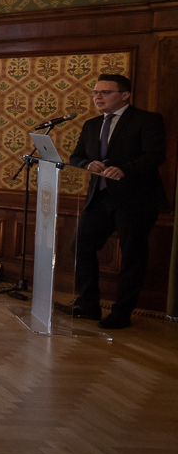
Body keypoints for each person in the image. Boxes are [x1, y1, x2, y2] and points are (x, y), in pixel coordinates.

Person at [68, 73, 167, 329]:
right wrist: (87, 164)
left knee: (132, 256)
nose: (97, 97)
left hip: (135, 201)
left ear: (125, 95)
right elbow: (76, 156)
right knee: (80, 247)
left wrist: (125, 169)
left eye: (105, 92)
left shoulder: (147, 120)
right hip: (99, 198)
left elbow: (155, 155)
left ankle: (122, 312)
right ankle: (89, 305)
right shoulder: (91, 125)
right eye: (95, 92)